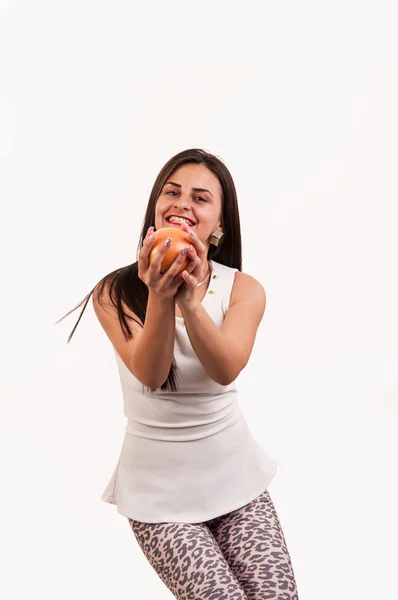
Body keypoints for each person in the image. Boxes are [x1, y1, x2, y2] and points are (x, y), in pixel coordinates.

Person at [58, 148, 299, 599]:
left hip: (237, 483)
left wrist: (190, 299)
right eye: (172, 192)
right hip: (159, 499)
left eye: (200, 197)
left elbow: (226, 367)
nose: (182, 203)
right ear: (155, 208)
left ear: (220, 226)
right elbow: (151, 374)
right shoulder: (114, 292)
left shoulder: (243, 290)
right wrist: (159, 295)